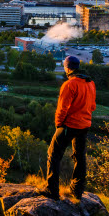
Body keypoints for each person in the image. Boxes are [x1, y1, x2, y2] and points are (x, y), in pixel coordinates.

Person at [40, 55, 96, 200]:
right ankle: (77, 191)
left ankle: (51, 190)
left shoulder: (70, 84)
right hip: (84, 125)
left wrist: (59, 124)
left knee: (53, 154)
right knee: (80, 157)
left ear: (67, 67)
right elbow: (93, 106)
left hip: (69, 125)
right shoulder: (90, 83)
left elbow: (62, 108)